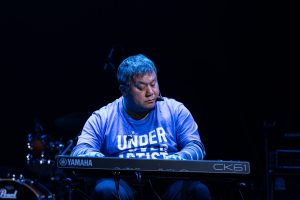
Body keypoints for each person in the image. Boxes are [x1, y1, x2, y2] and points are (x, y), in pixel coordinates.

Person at [70, 53, 211, 200]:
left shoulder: (176, 110)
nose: (150, 92)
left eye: (153, 83)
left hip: (168, 183)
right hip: (122, 184)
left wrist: (176, 159)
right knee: (105, 190)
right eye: (141, 87)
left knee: (197, 190)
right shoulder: (103, 117)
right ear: (124, 90)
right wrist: (106, 161)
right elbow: (80, 150)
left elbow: (196, 146)